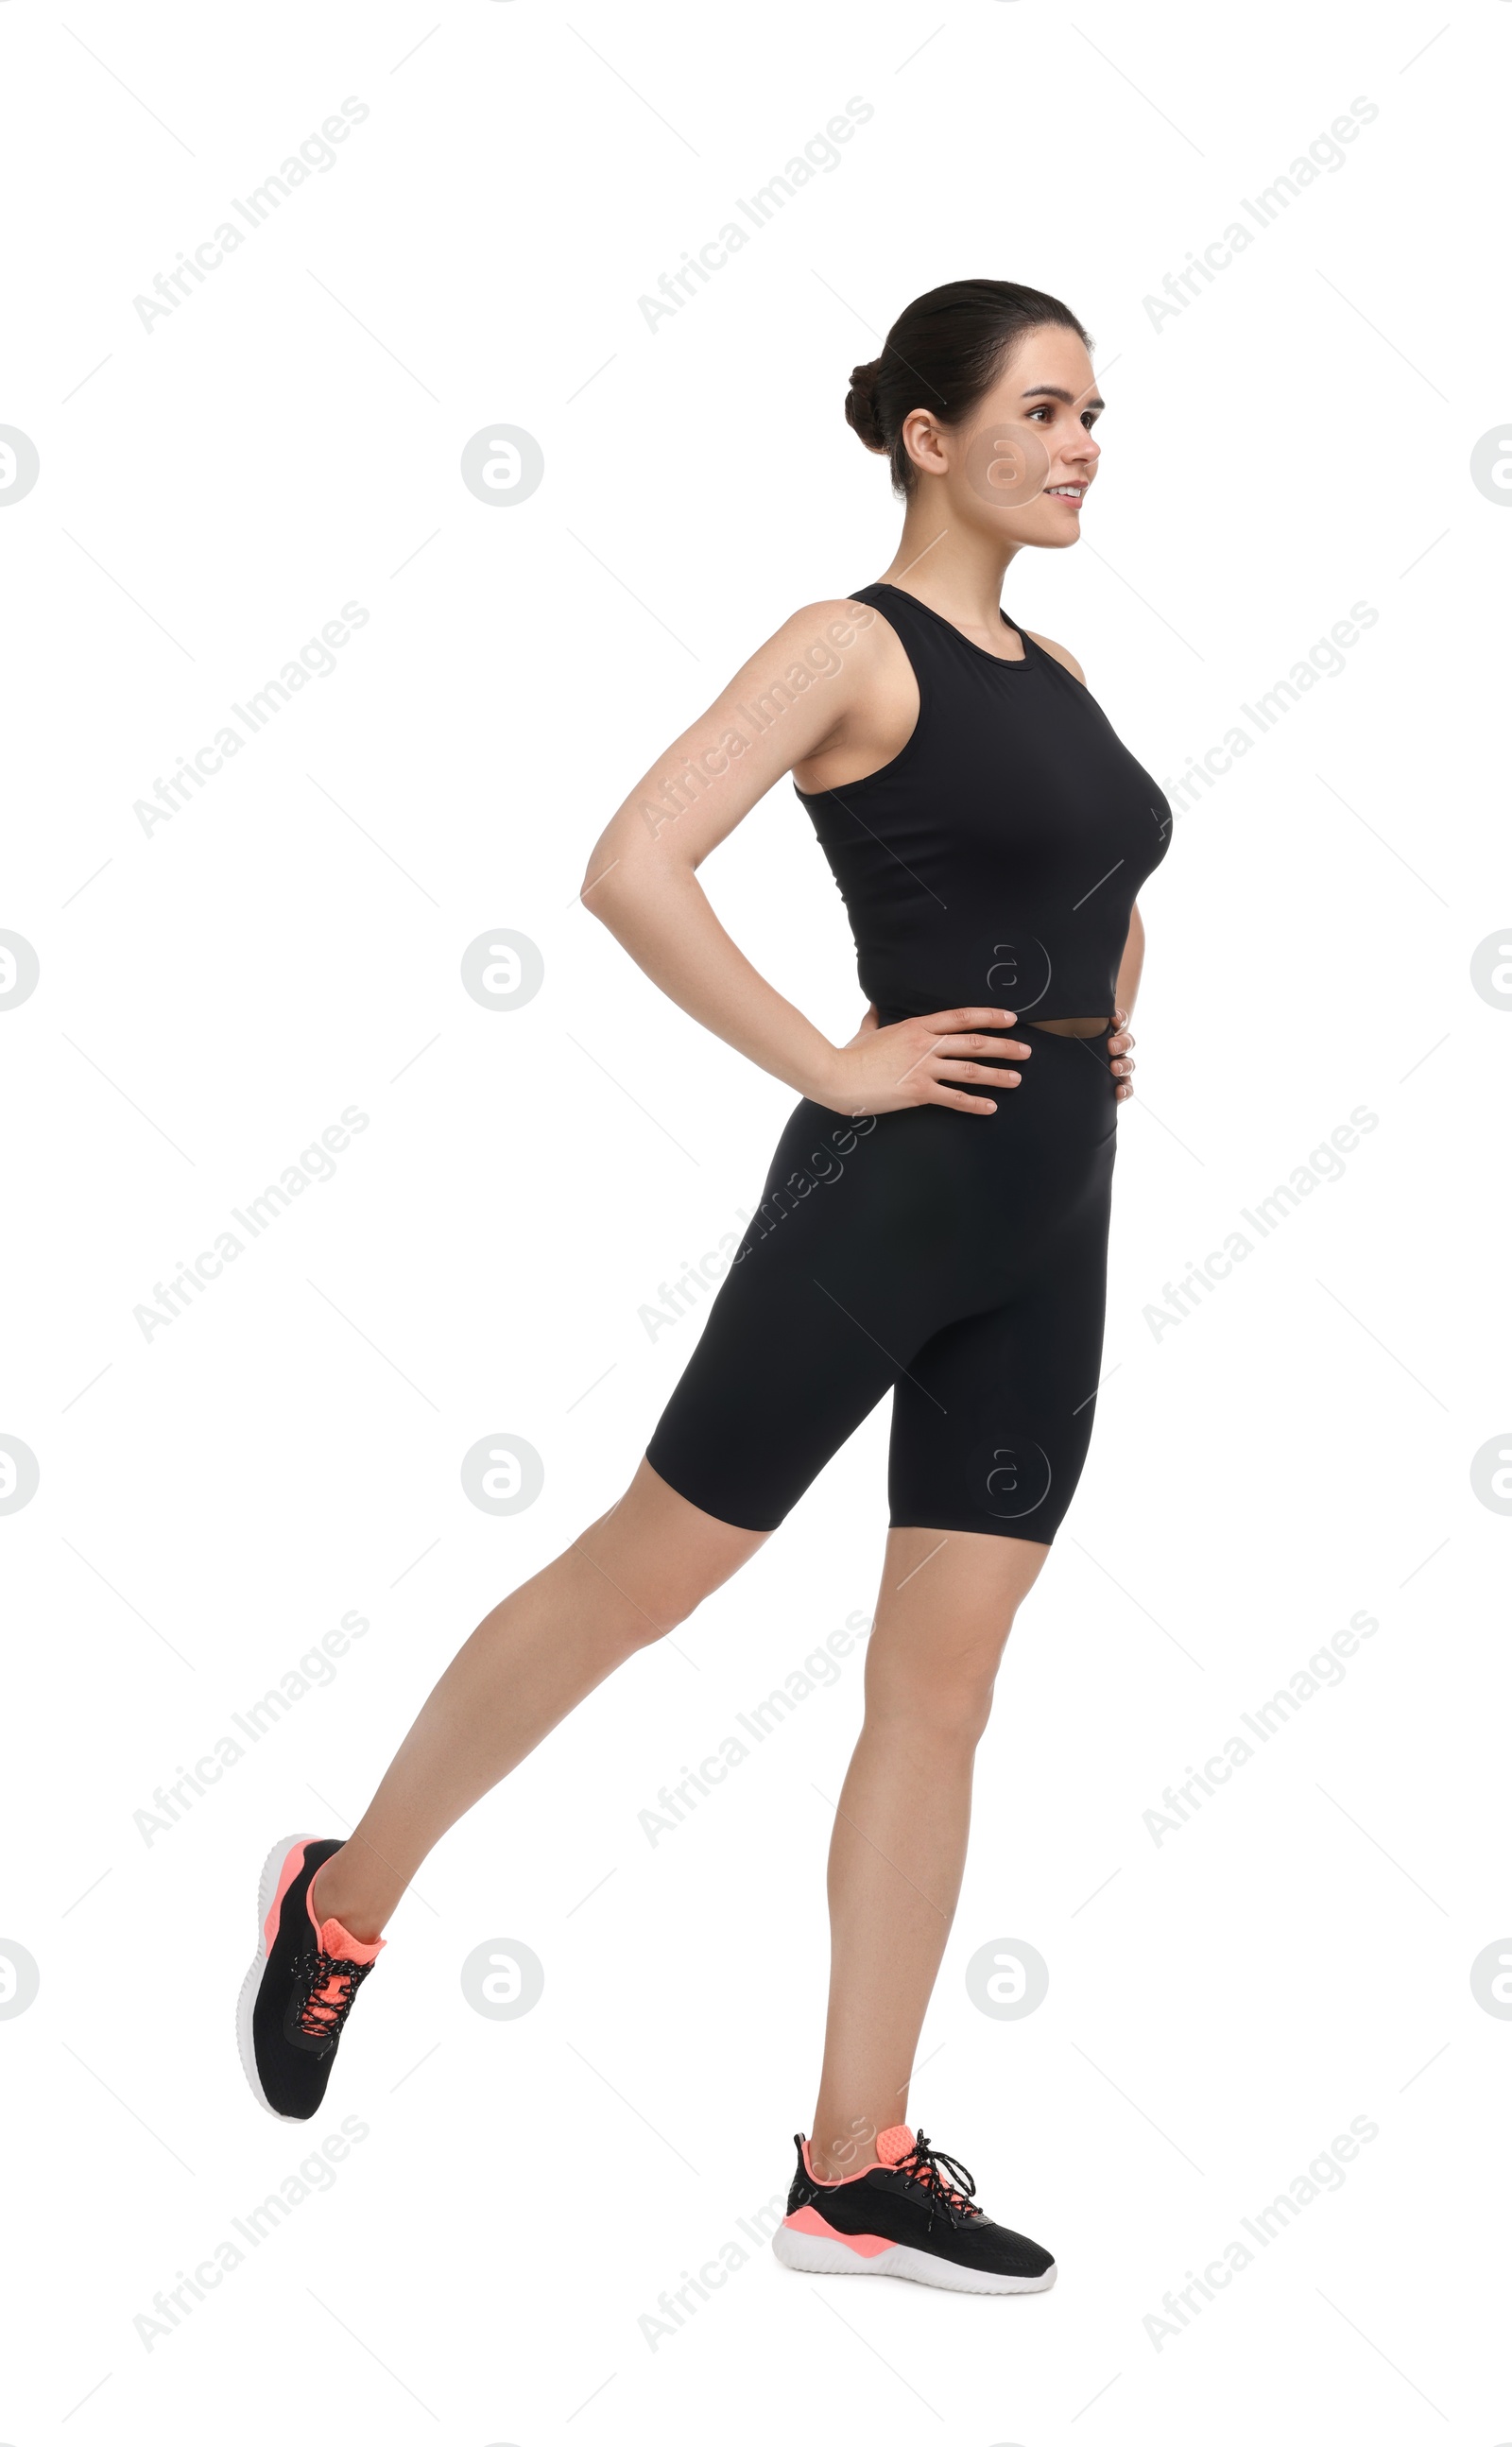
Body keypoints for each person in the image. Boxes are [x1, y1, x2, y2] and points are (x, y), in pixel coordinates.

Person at [239, 277, 1171, 2298]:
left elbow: (1098, 886)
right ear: (927, 435)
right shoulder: (848, 645)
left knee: (943, 1684)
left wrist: (1111, 1027)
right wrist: (838, 1057)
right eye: (1040, 406)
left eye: (1094, 408)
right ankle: (342, 1893)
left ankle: (854, 2157)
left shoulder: (1064, 667)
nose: (1082, 439)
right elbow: (634, 860)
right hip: (880, 1197)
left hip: (1047, 1227)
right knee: (644, 1578)